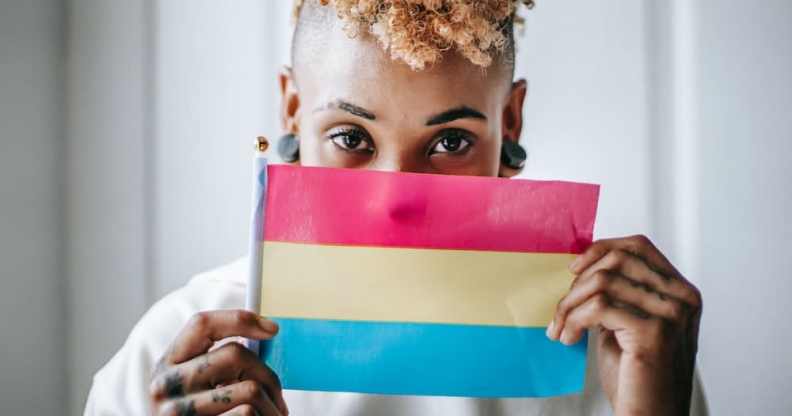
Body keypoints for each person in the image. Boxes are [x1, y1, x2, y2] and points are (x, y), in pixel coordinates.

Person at [84, 1, 707, 415]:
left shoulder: (613, 351)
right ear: (294, 109)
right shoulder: (178, 354)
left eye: (450, 142)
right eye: (352, 138)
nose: (394, 197)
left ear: (509, 120)